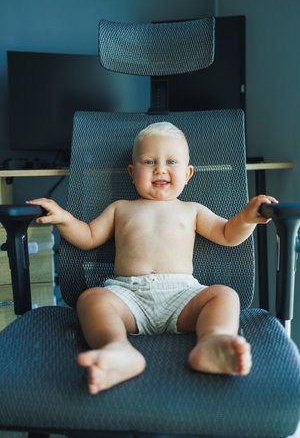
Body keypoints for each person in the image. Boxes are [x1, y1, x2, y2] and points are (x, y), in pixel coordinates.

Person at [27, 122, 277, 394]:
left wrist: (247, 218)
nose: (160, 168)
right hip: (128, 296)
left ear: (188, 173)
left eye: (171, 161)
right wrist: (64, 218)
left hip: (183, 296)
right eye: (149, 161)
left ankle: (213, 342)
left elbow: (228, 234)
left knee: (224, 295)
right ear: (133, 173)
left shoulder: (192, 210)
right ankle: (117, 349)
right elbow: (88, 236)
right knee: (91, 298)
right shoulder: (120, 208)